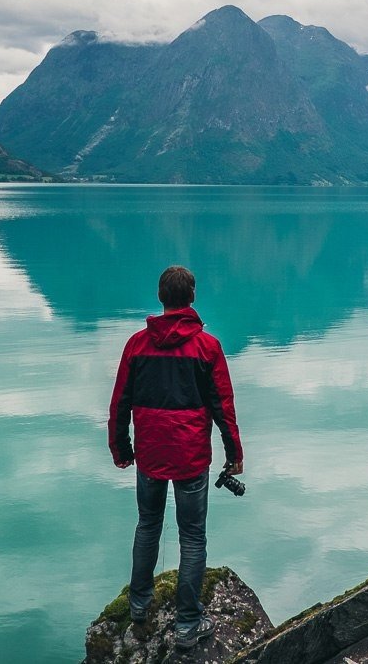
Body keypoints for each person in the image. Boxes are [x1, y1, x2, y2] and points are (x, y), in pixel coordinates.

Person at [108, 265, 244, 650]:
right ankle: (187, 623)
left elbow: (119, 403)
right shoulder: (208, 347)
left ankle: (138, 604)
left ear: (161, 298)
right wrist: (233, 453)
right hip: (191, 458)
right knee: (192, 536)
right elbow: (223, 407)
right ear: (192, 297)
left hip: (150, 455)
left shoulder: (136, 345)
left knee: (148, 525)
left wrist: (121, 449)